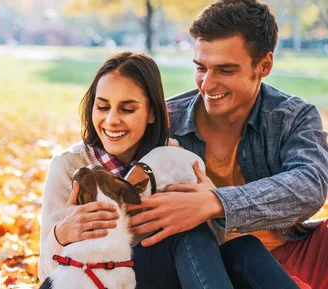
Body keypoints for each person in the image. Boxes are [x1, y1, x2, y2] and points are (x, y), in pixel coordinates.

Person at [38, 51, 298, 288]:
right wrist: (61, 235)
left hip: (177, 277)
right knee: (185, 234)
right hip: (110, 278)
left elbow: (211, 249)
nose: (111, 120)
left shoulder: (173, 157)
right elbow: (46, 275)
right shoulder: (69, 166)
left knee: (245, 248)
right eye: (102, 107)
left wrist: (211, 201)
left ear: (152, 113)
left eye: (127, 109)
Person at [126, 1, 328, 288]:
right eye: (201, 68)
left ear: (264, 65)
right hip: (203, 263)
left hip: (288, 250)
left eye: (225, 70)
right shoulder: (167, 120)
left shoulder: (293, 117)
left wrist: (215, 202)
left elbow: (310, 185)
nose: (207, 84)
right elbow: (107, 159)